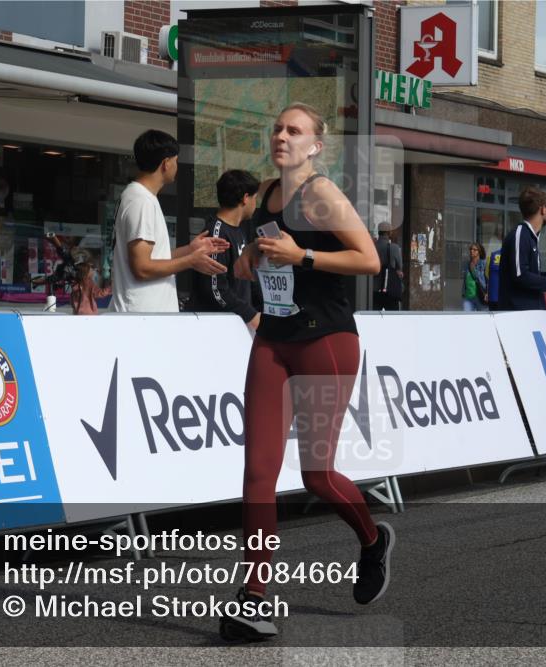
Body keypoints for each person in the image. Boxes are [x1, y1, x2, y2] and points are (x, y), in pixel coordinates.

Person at [225, 103, 391, 641]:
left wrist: (303, 258)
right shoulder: (269, 195)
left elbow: (370, 260)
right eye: (276, 127)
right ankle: (254, 598)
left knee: (317, 474)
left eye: (294, 131)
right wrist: (247, 254)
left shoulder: (321, 194)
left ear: (315, 146)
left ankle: (372, 541)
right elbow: (269, 250)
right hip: (274, 339)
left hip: (327, 341)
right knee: (257, 473)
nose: (281, 135)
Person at [110, 130, 230, 313]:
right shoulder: (141, 201)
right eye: (176, 161)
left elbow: (152, 260)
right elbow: (142, 268)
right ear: (166, 164)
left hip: (143, 317)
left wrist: (190, 250)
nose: (177, 166)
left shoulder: (139, 197)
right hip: (142, 318)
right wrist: (191, 261)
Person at [191, 169, 262, 329]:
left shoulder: (238, 230)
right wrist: (250, 314)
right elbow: (215, 289)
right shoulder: (216, 233)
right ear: (245, 198)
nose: (255, 204)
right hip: (217, 328)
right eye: (255, 198)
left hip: (238, 324)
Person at [497, 187, 546, 311]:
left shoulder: (529, 236)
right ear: (543, 209)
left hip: (531, 314)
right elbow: (521, 276)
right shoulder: (520, 234)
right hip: (518, 316)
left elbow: (531, 276)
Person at [373, 221, 403, 311]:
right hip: (390, 288)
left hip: (374, 288)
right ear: (388, 232)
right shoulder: (394, 247)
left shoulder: (373, 246)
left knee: (374, 317)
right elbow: (400, 266)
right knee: (393, 317)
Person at [462, 242, 488, 311]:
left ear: (479, 252)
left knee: (482, 318)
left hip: (480, 296)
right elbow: (465, 280)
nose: (471, 251)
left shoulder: (484, 263)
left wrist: (487, 293)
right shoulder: (467, 264)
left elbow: (487, 279)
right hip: (468, 297)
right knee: (467, 318)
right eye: (470, 249)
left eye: (474, 249)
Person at [486, 245, 502, 310]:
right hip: (505, 297)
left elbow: (486, 274)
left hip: (492, 296)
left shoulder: (492, 255)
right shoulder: (511, 256)